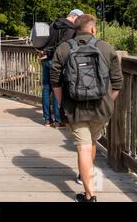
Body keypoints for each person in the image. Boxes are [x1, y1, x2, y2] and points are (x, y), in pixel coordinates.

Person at [50, 14, 123, 202]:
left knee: (83, 147)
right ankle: (87, 180)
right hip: (101, 108)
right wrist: (107, 101)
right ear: (92, 29)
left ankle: (90, 196)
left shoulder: (64, 48)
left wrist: (61, 104)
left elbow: (55, 82)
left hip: (75, 108)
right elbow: (117, 83)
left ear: (76, 29)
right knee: (91, 143)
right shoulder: (106, 48)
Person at [39, 9, 83, 128]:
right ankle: (58, 120)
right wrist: (50, 54)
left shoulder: (53, 24)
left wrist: (43, 52)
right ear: (74, 16)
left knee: (46, 89)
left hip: (45, 59)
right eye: (79, 18)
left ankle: (48, 120)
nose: (79, 22)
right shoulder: (70, 28)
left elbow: (42, 40)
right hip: (57, 60)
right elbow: (63, 46)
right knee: (57, 87)